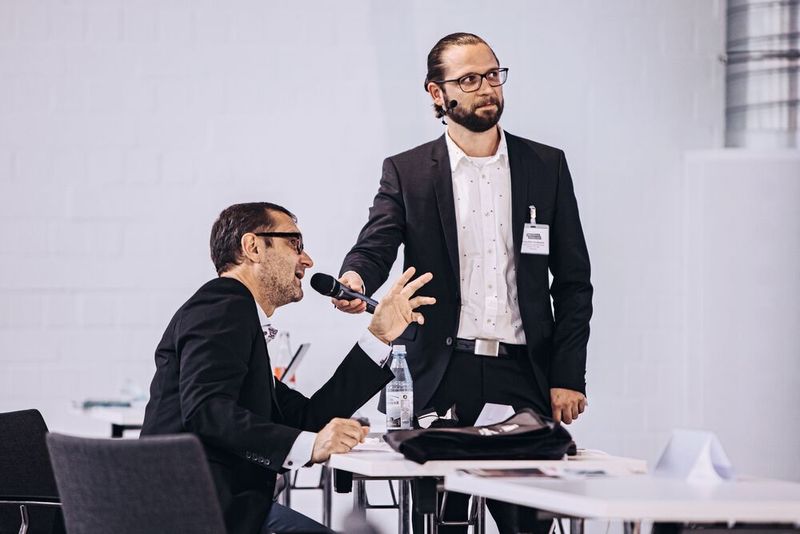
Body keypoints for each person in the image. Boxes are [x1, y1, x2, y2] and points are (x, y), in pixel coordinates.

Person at [335, 33, 593, 532]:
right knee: (441, 522)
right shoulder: (408, 172)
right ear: (437, 94)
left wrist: (569, 374)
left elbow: (575, 282)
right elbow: (376, 243)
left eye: (493, 75)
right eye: (469, 79)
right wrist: (355, 278)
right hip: (440, 369)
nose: (486, 88)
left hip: (525, 371)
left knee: (529, 520)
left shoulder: (546, 166)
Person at [140, 202, 435, 534]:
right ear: (253, 247)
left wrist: (378, 337)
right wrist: (311, 445)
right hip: (199, 515)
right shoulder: (224, 302)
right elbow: (207, 411)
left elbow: (308, 418)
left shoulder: (235, 314)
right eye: (295, 243)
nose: (307, 260)